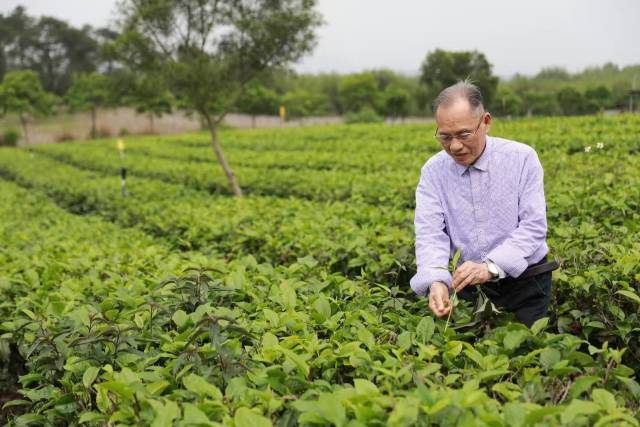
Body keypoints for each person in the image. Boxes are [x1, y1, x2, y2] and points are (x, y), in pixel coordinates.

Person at [410, 80, 557, 327]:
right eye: (444, 137)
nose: (455, 146)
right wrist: (436, 279)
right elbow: (431, 232)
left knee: (526, 354)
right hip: (469, 287)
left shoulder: (521, 159)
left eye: (464, 134)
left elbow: (533, 227)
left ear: (486, 122)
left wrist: (491, 266)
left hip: (526, 283)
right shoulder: (433, 171)